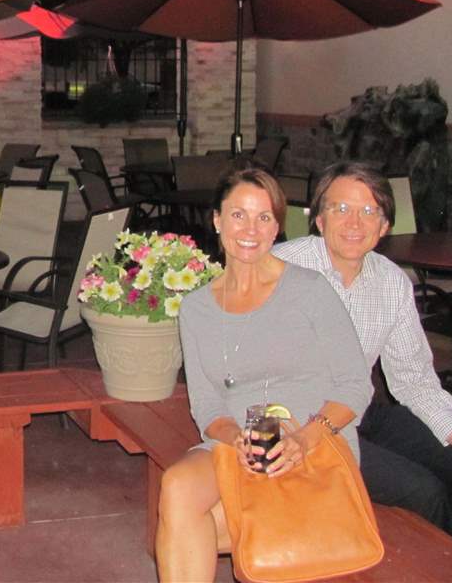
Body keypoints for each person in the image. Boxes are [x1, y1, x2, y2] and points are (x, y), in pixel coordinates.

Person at [272, 160, 452, 561]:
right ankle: (443, 570)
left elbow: (414, 379)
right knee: (423, 491)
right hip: (303, 426)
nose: (354, 222)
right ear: (319, 219)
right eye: (341, 208)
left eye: (369, 211)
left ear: (384, 227)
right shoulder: (280, 268)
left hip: (361, 413)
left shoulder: (391, 282)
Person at [158, 161, 372, 582]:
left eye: (264, 218)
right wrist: (233, 437)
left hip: (312, 446)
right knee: (177, 486)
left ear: (277, 228)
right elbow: (207, 405)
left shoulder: (309, 289)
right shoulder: (196, 307)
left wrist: (301, 440)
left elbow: (356, 386)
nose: (250, 229)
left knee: (183, 528)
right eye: (238, 214)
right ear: (217, 220)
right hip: (238, 448)